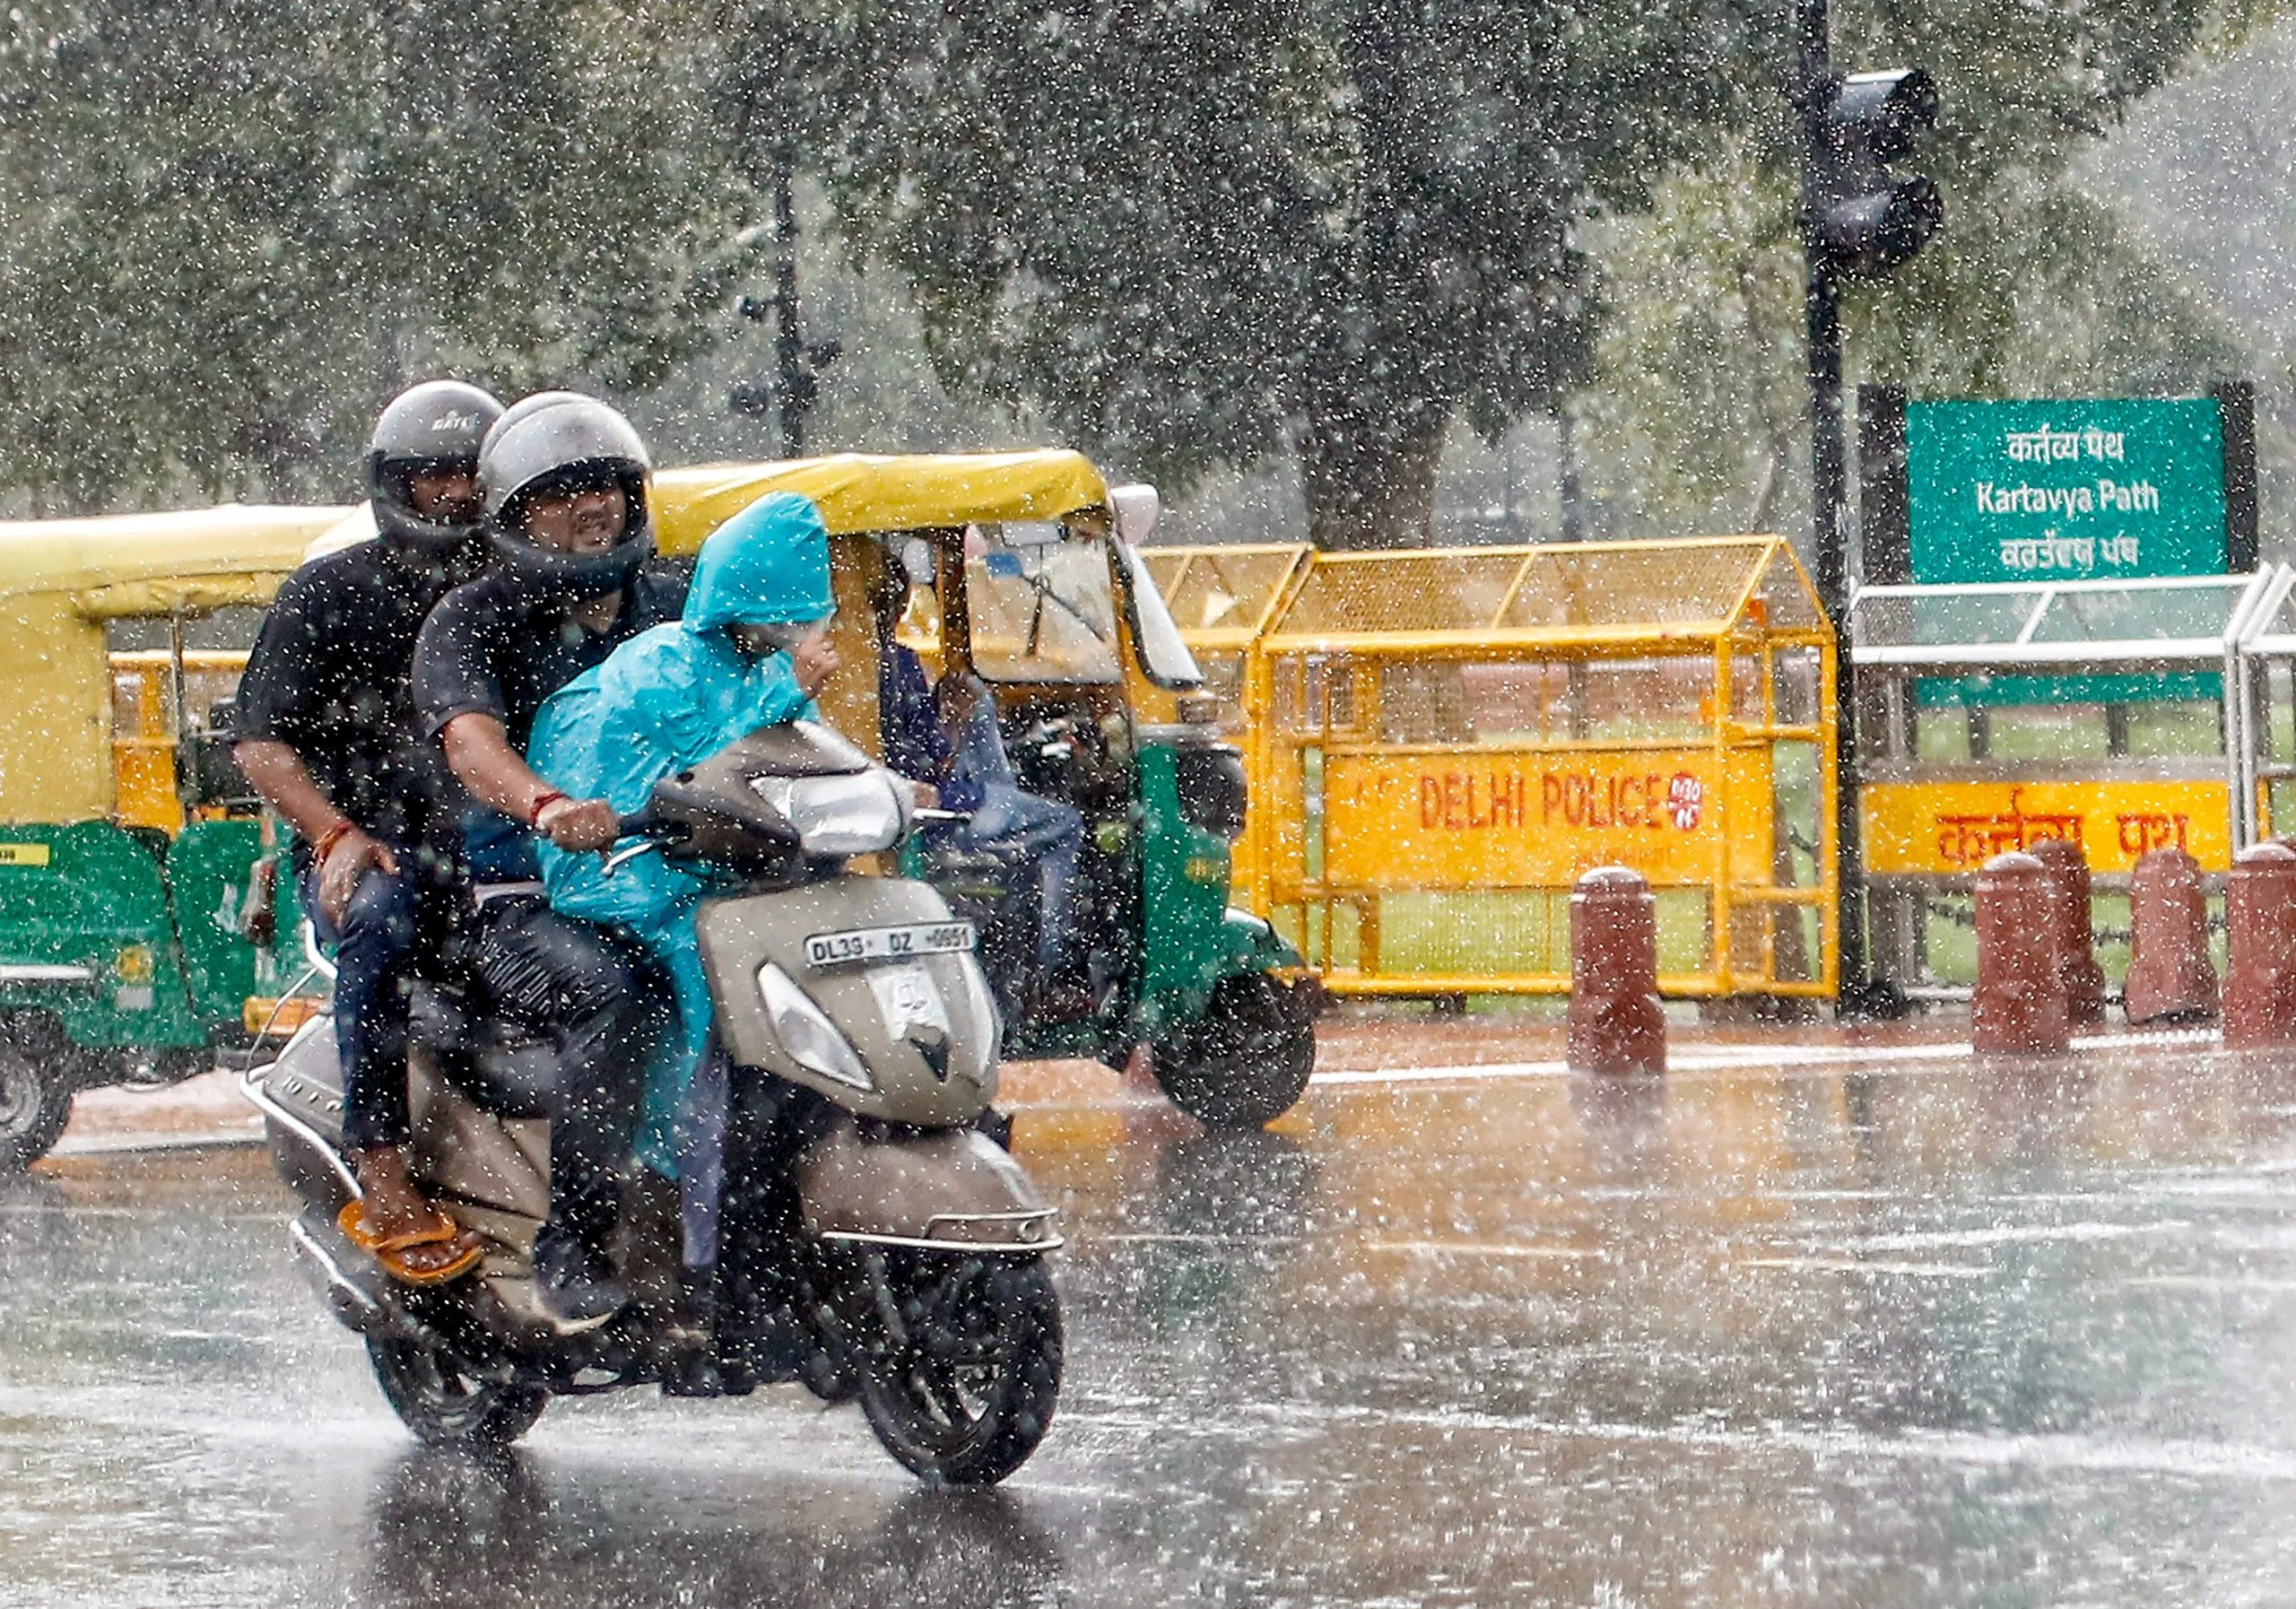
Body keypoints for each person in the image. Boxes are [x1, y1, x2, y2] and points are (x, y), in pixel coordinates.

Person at [526, 492, 836, 1383]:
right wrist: (792, 689)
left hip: (713, 879)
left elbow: (799, 753)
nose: (808, 621)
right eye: (794, 602)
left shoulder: (748, 669)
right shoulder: (665, 665)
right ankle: (659, 1247)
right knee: (702, 1018)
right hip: (628, 879)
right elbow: (697, 773)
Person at [410, 392, 683, 1326]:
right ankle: (574, 1238)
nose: (592, 506)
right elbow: (471, 744)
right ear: (514, 514)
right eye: (561, 493)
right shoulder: (470, 618)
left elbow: (758, 696)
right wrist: (546, 804)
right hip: (525, 898)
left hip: (674, 875)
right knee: (622, 991)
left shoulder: (674, 605)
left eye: (603, 485)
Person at [234, 378, 501, 1286]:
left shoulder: (524, 586)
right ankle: (382, 1167)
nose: (456, 493)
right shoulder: (331, 590)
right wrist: (333, 832)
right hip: (380, 845)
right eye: (435, 476)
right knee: (383, 919)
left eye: (472, 474)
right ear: (397, 484)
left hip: (508, 843)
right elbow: (261, 745)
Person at [867, 554, 1085, 1011]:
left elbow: (913, 746)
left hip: (908, 798)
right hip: (940, 809)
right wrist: (949, 733)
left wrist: (951, 722)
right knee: (1065, 825)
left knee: (972, 691)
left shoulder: (855, 666)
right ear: (899, 604)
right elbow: (929, 756)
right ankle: (1050, 971)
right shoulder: (897, 662)